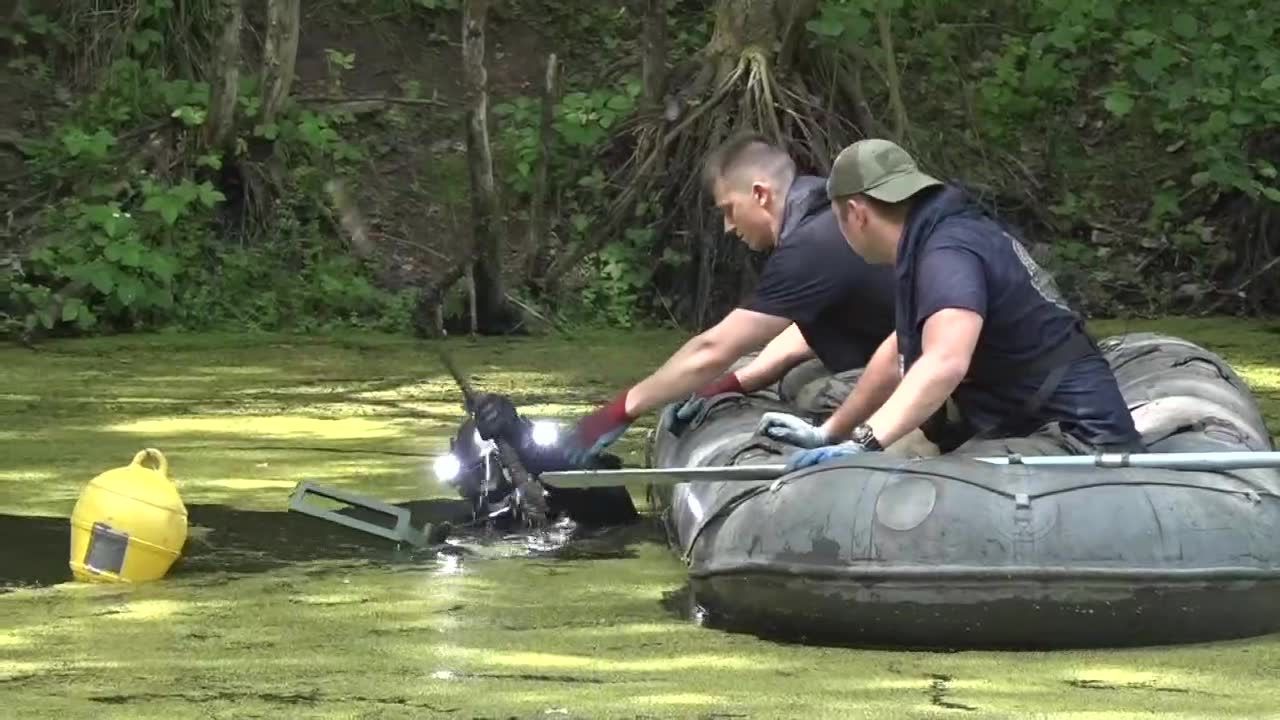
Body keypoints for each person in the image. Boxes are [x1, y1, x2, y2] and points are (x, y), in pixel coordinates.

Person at [758, 138, 1143, 471]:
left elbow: (945, 361)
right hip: (1032, 426)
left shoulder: (947, 253)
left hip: (1078, 439)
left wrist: (864, 443)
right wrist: (828, 432)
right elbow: (897, 353)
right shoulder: (934, 239)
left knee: (918, 481)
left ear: (856, 214)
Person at [543, 132, 898, 466]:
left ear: (760, 194)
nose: (728, 226)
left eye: (729, 209)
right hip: (891, 348)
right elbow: (804, 332)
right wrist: (730, 384)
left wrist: (619, 411)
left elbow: (712, 350)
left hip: (913, 366)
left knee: (808, 392)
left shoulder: (809, 247)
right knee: (791, 377)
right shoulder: (821, 213)